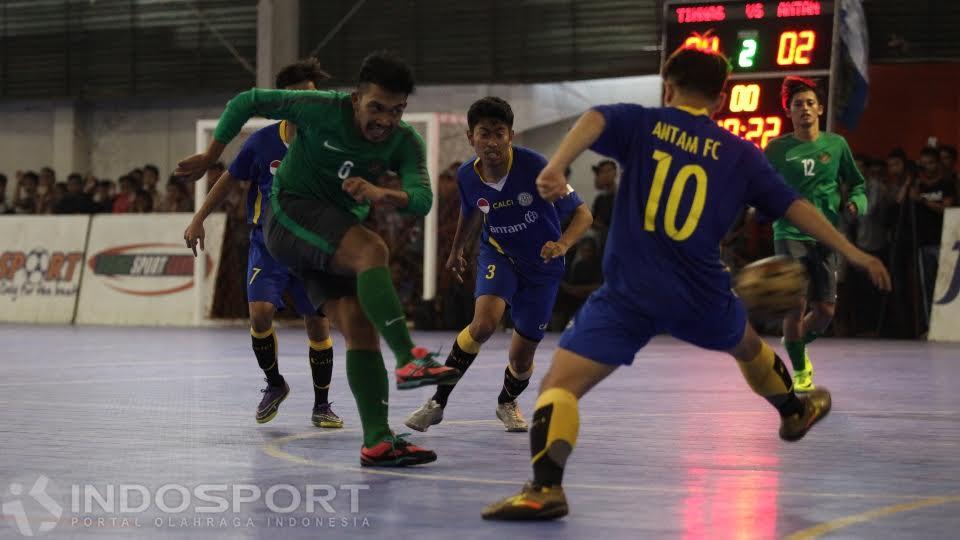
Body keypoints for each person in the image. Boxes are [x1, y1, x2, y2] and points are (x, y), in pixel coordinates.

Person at [481, 46, 890, 520]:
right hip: (701, 293)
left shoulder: (645, 124)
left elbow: (595, 117)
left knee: (559, 386)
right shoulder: (740, 154)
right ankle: (793, 411)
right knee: (749, 347)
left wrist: (556, 165)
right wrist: (853, 252)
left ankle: (546, 489)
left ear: (668, 87)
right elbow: (796, 208)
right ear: (721, 99)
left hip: (630, 293)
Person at [175, 50, 458, 467]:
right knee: (372, 250)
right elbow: (246, 101)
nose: (385, 120)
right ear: (356, 98)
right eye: (377, 107)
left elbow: (422, 200)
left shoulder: (405, 141)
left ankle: (377, 441)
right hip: (286, 215)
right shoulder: (319, 109)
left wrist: (384, 193)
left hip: (328, 238)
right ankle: (408, 358)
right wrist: (209, 155)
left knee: (359, 328)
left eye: (396, 110)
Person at [404, 97, 592, 433]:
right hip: (499, 254)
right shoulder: (467, 175)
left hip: (543, 267)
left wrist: (562, 244)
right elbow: (471, 211)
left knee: (521, 359)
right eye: (484, 133)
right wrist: (457, 249)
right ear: (470, 137)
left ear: (511, 136)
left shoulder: (537, 167)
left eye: (499, 133)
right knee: (483, 325)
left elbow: (583, 214)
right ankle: (437, 402)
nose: (492, 142)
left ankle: (507, 401)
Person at [184, 59, 343, 428]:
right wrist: (198, 218)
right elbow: (229, 179)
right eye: (298, 96)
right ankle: (275, 384)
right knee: (259, 314)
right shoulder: (261, 142)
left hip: (310, 248)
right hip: (267, 244)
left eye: (312, 96)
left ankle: (322, 405)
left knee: (318, 325)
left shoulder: (329, 144)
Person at [764, 76, 867, 392]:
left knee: (824, 312)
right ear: (789, 112)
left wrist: (856, 204)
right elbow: (759, 186)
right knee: (795, 306)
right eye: (798, 104)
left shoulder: (837, 145)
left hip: (825, 236)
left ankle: (794, 343)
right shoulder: (776, 149)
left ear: (820, 109)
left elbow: (858, 185)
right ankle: (799, 371)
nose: (805, 108)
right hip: (788, 232)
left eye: (810, 103)